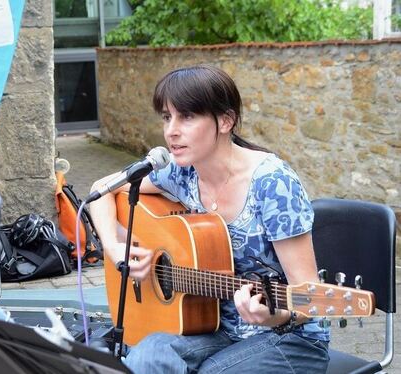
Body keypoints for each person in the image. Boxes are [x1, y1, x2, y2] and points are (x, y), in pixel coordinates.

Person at [89, 65, 329, 373]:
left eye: (186, 117)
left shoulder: (272, 183)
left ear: (225, 121)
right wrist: (114, 247)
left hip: (289, 336)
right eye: (166, 116)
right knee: (145, 358)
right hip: (216, 326)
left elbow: (309, 295)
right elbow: (101, 190)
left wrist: (274, 316)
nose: (171, 131)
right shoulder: (182, 170)